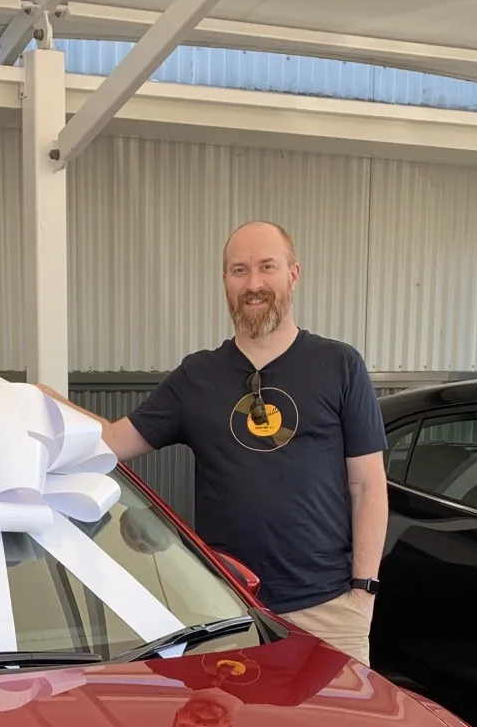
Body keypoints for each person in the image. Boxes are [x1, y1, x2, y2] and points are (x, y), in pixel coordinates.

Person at [82, 220, 389, 664]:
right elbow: (112, 440)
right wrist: (32, 399)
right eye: (239, 270)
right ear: (225, 281)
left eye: (267, 267)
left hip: (329, 611)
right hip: (228, 615)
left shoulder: (339, 365)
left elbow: (368, 486)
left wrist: (363, 595)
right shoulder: (197, 376)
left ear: (293, 274)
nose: (254, 283)